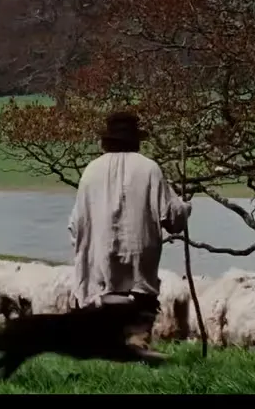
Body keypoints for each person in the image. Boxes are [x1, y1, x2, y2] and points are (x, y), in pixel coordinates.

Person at [67, 110, 191, 350]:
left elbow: (76, 224)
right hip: (139, 267)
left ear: (107, 140)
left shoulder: (91, 171)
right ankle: (137, 355)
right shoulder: (150, 169)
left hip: (100, 268)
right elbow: (173, 217)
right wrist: (185, 207)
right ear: (136, 140)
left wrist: (88, 250)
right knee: (138, 322)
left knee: (102, 329)